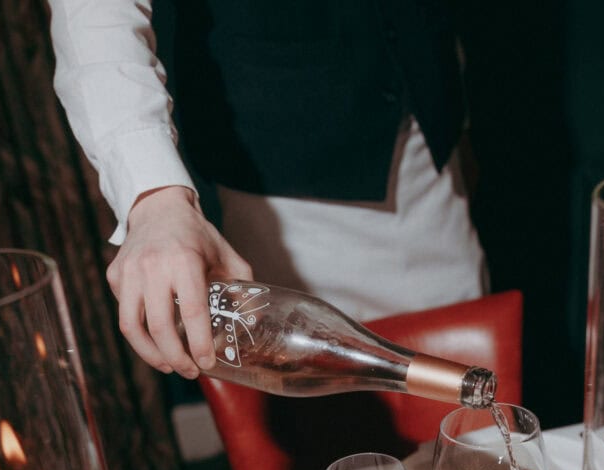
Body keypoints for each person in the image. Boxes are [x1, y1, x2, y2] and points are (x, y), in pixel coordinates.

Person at [46, 1, 487, 383]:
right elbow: (94, 14)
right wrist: (154, 199)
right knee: (335, 447)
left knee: (471, 413)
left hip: (431, 158)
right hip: (286, 194)